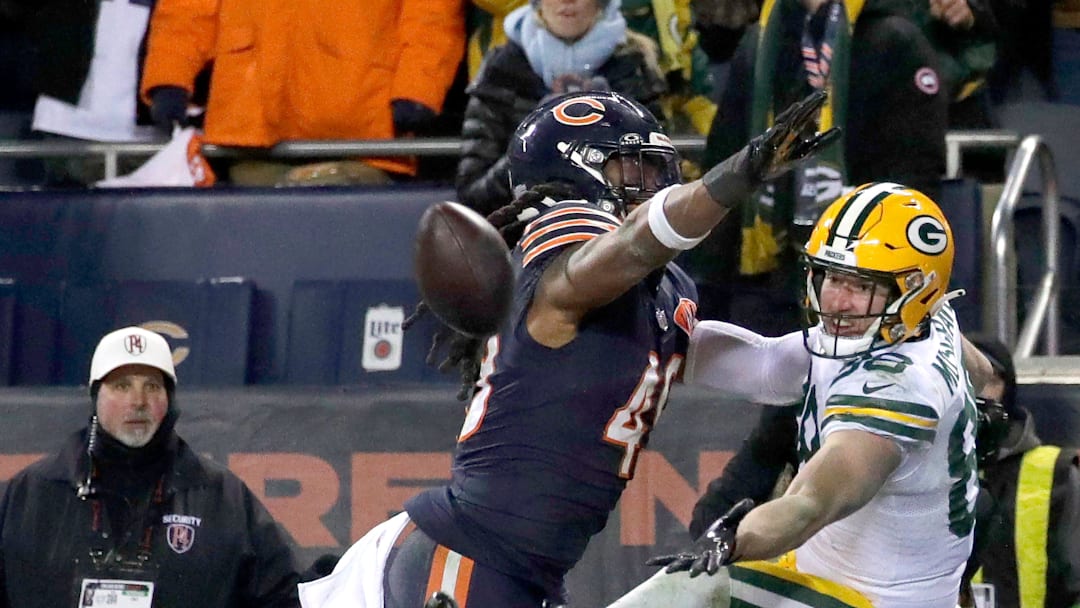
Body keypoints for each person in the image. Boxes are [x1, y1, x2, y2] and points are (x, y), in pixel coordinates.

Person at [299, 89, 838, 608]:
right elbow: (630, 246)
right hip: (471, 555)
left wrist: (892, 338)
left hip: (521, 567)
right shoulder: (567, 242)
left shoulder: (655, 290)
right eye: (632, 169)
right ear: (576, 172)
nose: (653, 184)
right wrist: (736, 175)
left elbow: (769, 368)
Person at [646, 182, 993, 607]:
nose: (838, 300)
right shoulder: (928, 316)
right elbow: (768, 365)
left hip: (869, 599)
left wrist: (735, 540)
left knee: (671, 598)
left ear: (915, 291)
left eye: (861, 285)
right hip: (835, 573)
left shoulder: (893, 390)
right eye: (832, 276)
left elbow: (811, 504)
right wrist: (651, 338)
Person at [683, 0, 951, 335]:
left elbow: (914, 173)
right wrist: (709, 289)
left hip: (861, 279)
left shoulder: (894, 39)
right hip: (765, 273)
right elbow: (725, 162)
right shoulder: (760, 41)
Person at [0, 326, 300, 608]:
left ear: (169, 399)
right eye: (122, 386)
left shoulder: (222, 498)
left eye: (152, 386)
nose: (138, 401)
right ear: (95, 396)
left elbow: (283, 596)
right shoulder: (30, 495)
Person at [139, 0, 464, 186]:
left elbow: (431, 15)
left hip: (361, 134)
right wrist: (170, 77)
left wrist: (419, 88)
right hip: (251, 133)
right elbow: (187, 10)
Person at [455, 0, 668, 215]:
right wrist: (532, 145)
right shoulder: (501, 71)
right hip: (522, 235)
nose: (567, 1)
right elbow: (473, 196)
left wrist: (612, 130)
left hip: (614, 232)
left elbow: (658, 183)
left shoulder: (633, 68)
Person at [960, 336, 1080, 607]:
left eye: (988, 380)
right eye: (963, 379)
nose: (976, 392)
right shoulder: (908, 467)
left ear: (1009, 389)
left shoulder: (1057, 473)